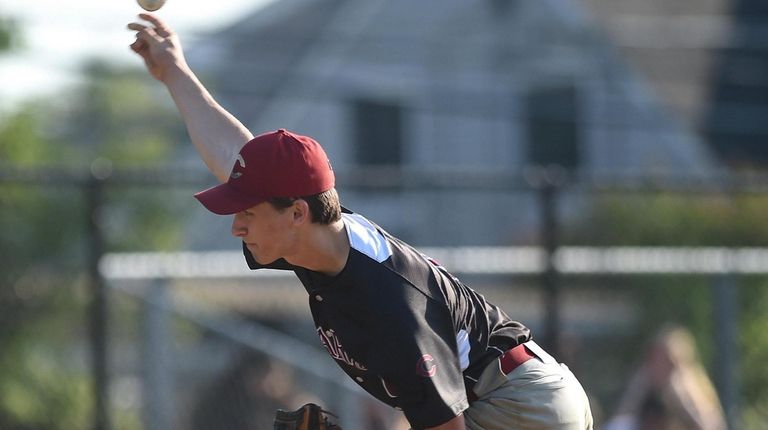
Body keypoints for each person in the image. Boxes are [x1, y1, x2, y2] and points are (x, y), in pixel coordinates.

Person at [128, 13, 593, 430]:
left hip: (520, 405)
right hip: (498, 397)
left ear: (296, 212)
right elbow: (235, 155)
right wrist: (174, 73)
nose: (237, 226)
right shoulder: (318, 240)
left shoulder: (387, 300)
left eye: (247, 211)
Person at [603, 325, 727, 430]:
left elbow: (712, 426)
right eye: (654, 360)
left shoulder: (692, 389)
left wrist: (681, 398)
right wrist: (636, 391)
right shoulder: (644, 387)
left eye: (665, 361)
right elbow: (619, 422)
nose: (659, 368)